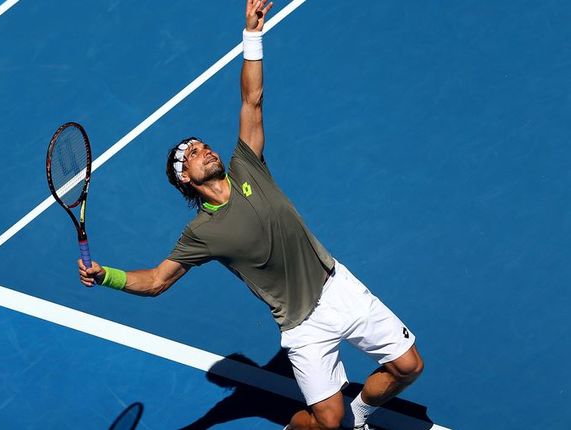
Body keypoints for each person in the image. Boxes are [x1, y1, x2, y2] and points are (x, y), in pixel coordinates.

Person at [78, 1, 424, 429]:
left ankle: (362, 416)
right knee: (326, 424)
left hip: (338, 287)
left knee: (408, 367)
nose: (201, 149)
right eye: (190, 154)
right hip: (302, 325)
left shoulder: (247, 165)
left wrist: (252, 34)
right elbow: (155, 281)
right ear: (185, 180)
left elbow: (251, 99)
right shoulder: (200, 233)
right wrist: (105, 274)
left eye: (202, 144)